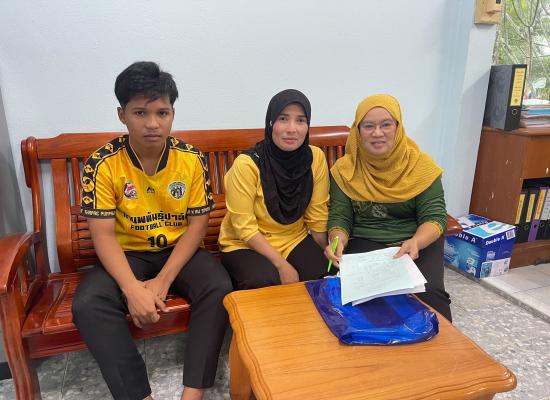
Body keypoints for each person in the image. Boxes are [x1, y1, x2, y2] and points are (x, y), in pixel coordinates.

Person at [72, 61, 233, 400]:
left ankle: (194, 391)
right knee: (89, 304)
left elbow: (197, 226)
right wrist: (132, 288)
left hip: (178, 249)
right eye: (140, 113)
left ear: (172, 114)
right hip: (128, 254)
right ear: (122, 115)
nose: (152, 124)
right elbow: (102, 235)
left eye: (162, 113)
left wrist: (163, 280)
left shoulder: (191, 159)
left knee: (219, 286)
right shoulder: (102, 163)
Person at [325, 94, 452, 322]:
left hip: (415, 243)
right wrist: (337, 240)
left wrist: (416, 241)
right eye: (368, 126)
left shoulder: (422, 167)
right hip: (365, 241)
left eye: (386, 124)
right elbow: (340, 217)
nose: (377, 133)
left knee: (430, 297)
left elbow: (435, 217)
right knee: (352, 300)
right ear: (358, 131)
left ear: (398, 127)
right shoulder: (344, 170)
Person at [219, 89, 330, 289]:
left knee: (322, 273)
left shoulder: (315, 158)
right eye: (283, 119)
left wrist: (325, 250)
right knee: (264, 281)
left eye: (300, 120)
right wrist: (281, 265)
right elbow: (244, 227)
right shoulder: (247, 164)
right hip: (244, 243)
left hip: (293, 238)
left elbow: (317, 215)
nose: (292, 129)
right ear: (270, 123)